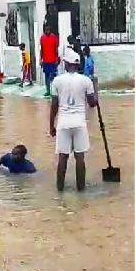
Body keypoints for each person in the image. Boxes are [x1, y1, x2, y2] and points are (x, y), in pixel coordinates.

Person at [49, 49, 98, 192]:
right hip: (79, 123)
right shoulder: (86, 81)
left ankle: (60, 189)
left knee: (62, 158)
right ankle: (81, 189)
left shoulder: (57, 81)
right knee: (80, 158)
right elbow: (93, 103)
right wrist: (95, 89)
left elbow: (54, 106)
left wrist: (51, 126)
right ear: (77, 65)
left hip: (63, 123)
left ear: (66, 64)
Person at [40, 25, 59, 96]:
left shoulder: (54, 37)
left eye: (48, 30)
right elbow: (41, 49)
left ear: (50, 31)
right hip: (45, 60)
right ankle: (48, 90)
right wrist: (40, 59)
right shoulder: (42, 38)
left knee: (53, 76)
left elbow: (56, 48)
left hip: (53, 60)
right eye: (46, 30)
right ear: (44, 31)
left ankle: (54, 91)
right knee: (46, 76)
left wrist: (57, 58)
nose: (47, 31)